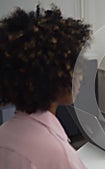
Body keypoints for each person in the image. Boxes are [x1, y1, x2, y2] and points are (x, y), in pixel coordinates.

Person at [0, 5, 91, 169]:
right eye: (74, 66)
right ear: (52, 77)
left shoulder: (4, 134)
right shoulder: (58, 154)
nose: (80, 75)